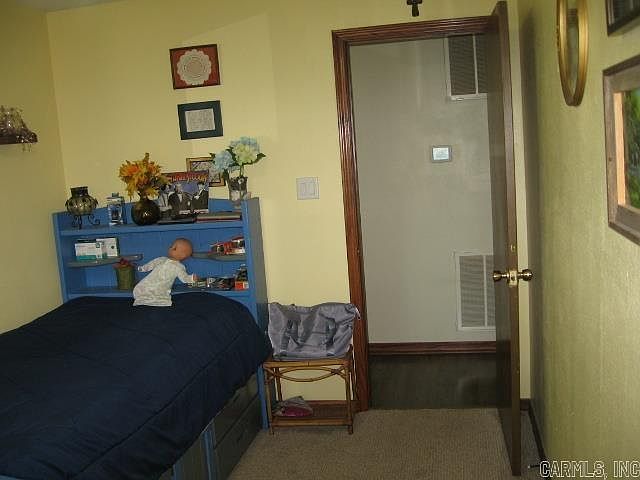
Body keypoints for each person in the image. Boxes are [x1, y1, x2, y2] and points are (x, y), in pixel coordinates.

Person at [132, 238, 197, 307]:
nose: (170, 248)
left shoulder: (179, 267)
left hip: (162, 285)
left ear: (182, 255)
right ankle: (142, 298)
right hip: (151, 280)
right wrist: (143, 268)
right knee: (142, 288)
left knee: (159, 292)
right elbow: (152, 263)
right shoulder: (162, 259)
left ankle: (153, 300)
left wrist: (191, 279)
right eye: (171, 246)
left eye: (174, 248)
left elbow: (184, 277)